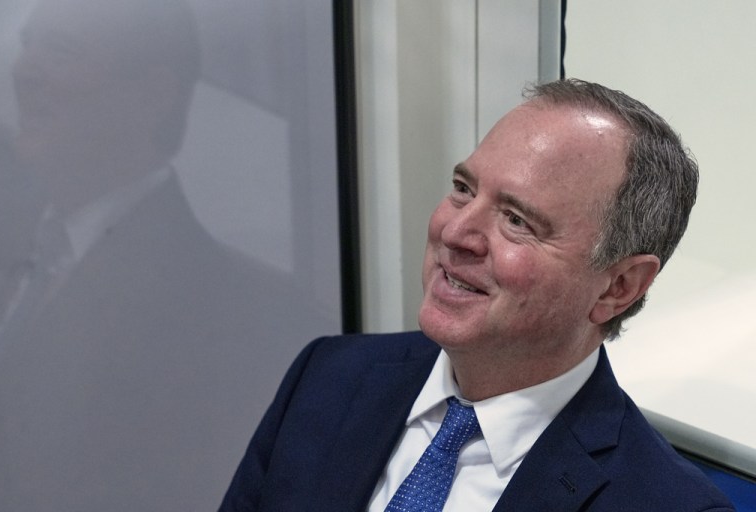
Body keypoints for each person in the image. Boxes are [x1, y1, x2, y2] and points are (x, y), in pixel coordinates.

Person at [218, 79, 735, 511]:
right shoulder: (329, 376)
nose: (454, 231)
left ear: (618, 287)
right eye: (463, 188)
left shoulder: (666, 504)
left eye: (516, 220)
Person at [0, 0, 330, 510]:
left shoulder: (246, 316)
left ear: (152, 94)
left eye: (59, 51)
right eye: (27, 44)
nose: (24, 70)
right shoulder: (13, 250)